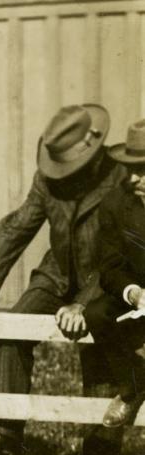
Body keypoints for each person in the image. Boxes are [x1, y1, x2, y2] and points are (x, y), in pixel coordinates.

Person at [0, 104, 127, 455]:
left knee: (101, 367)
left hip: (106, 282)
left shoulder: (123, 178)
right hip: (56, 275)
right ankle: (7, 435)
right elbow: (16, 229)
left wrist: (84, 304)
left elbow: (123, 252)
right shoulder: (47, 180)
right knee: (12, 332)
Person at [84, 119, 145, 430]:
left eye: (144, 169)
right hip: (139, 298)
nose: (134, 178)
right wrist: (134, 293)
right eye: (131, 168)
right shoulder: (115, 204)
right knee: (96, 313)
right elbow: (109, 267)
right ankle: (131, 387)